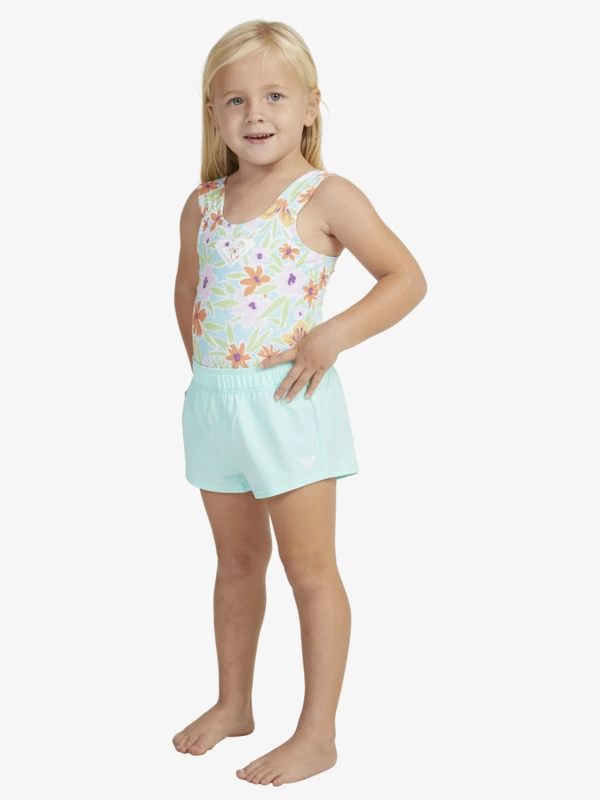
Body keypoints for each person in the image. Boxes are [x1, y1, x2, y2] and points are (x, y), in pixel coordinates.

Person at [172, 19, 427, 787]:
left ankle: (318, 734)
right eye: (236, 100)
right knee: (235, 563)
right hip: (217, 404)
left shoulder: (326, 195)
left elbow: (406, 278)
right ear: (213, 114)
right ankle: (234, 703)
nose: (256, 113)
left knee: (310, 571)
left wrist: (332, 337)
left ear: (311, 105)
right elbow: (187, 291)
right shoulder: (203, 204)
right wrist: (210, 377)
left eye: (275, 96)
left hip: (290, 404)